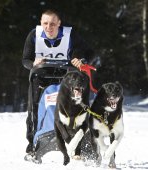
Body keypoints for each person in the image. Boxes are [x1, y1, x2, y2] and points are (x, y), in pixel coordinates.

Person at [22, 9, 94, 159]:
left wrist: (82, 61)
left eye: (53, 24)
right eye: (45, 23)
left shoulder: (70, 34)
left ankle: (83, 139)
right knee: (34, 109)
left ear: (59, 24)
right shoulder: (33, 35)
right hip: (41, 76)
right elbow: (25, 60)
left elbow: (89, 52)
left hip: (65, 77)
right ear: (41, 23)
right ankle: (33, 144)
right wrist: (33, 63)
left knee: (77, 105)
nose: (49, 27)